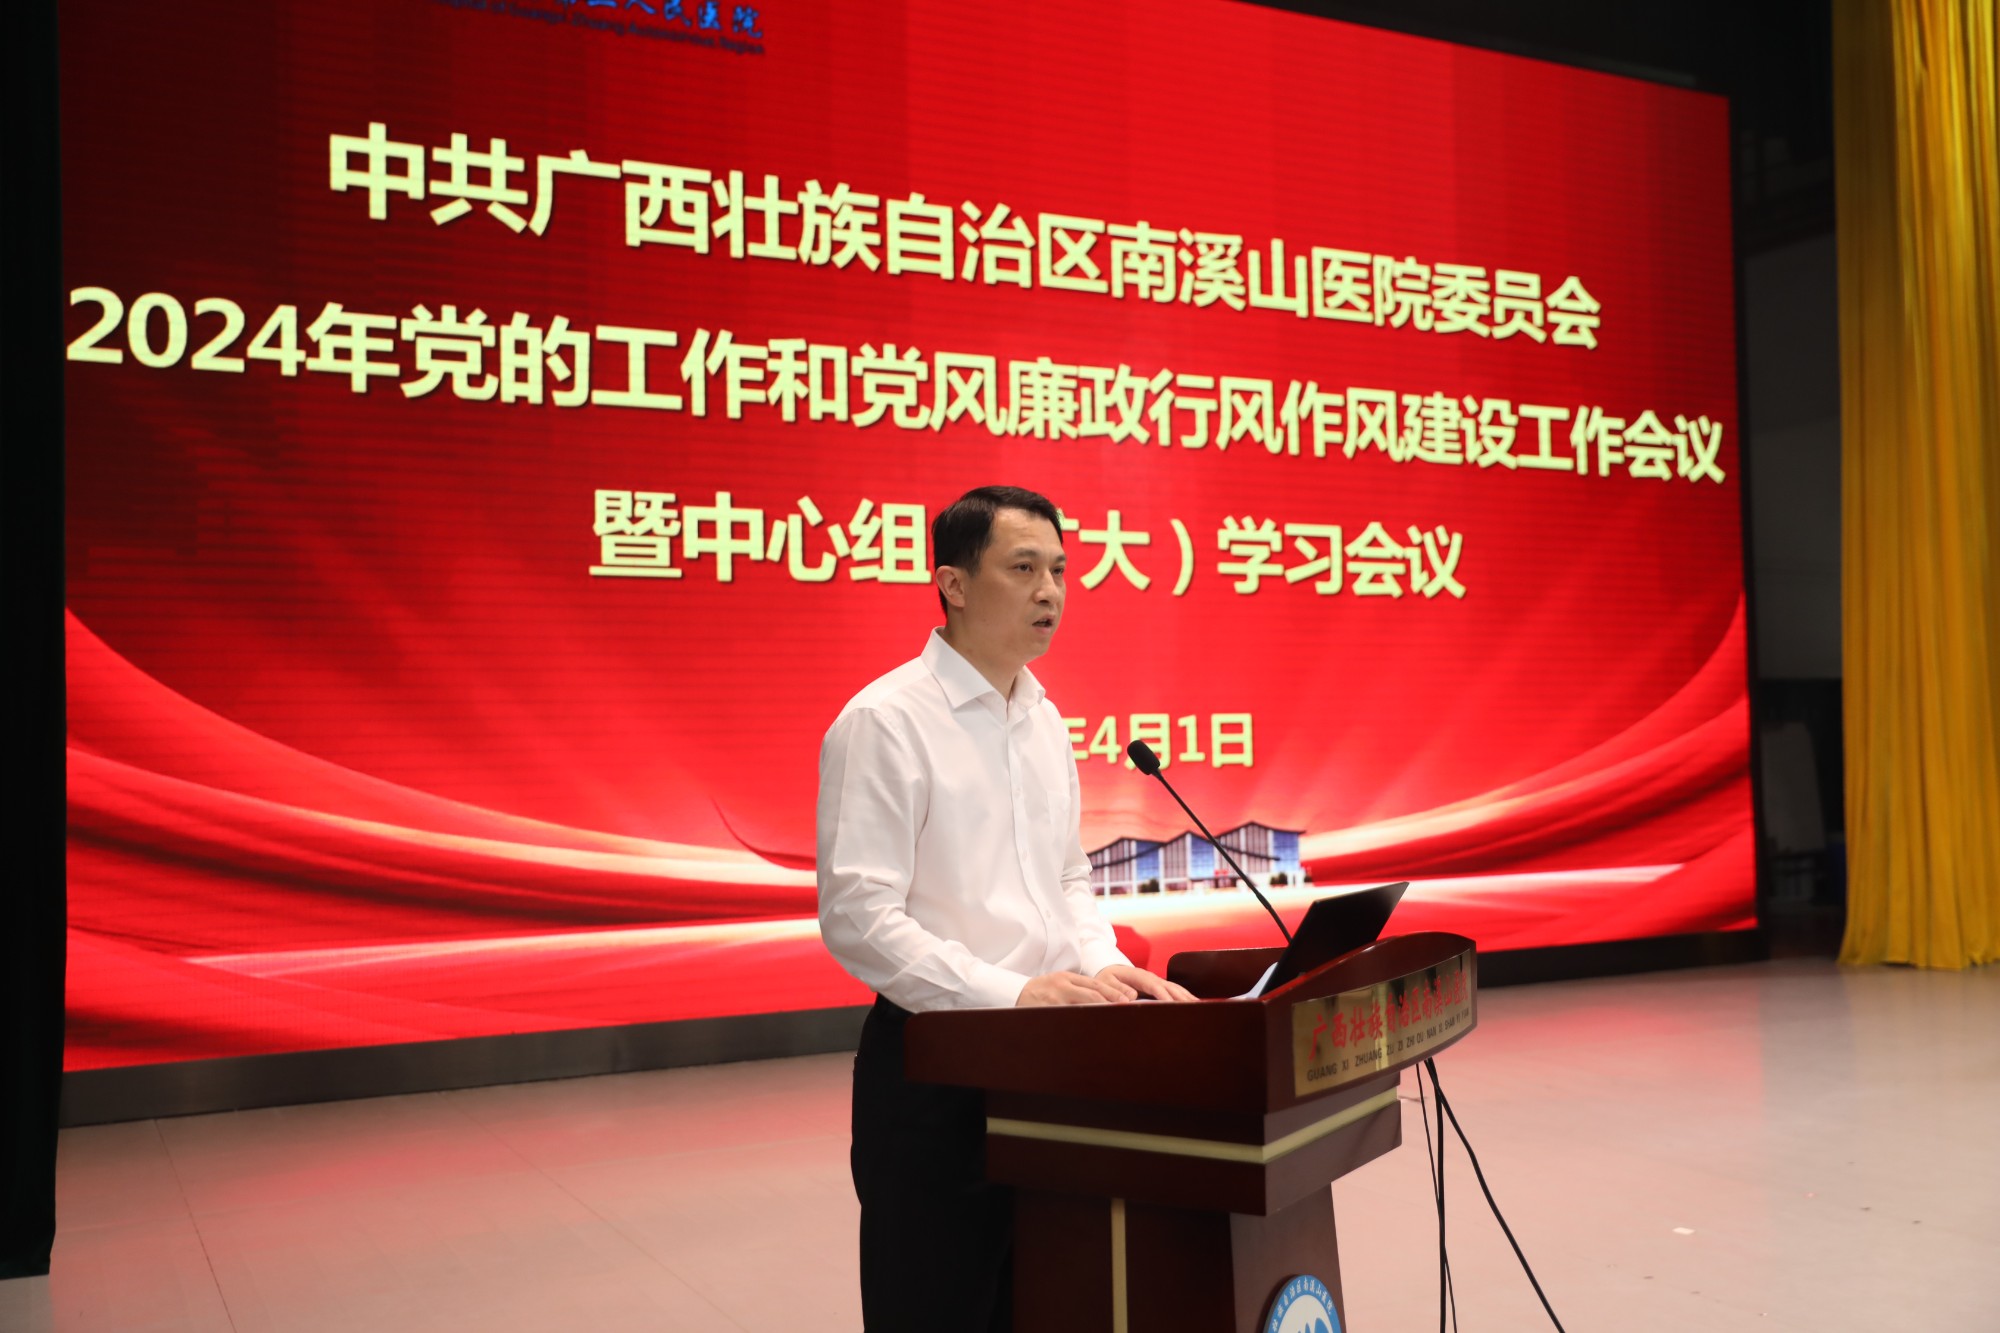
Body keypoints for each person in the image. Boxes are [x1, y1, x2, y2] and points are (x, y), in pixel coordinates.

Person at [817, 484, 1197, 1332]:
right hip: (937, 1068)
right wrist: (1012, 992)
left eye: (1058, 570)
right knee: (938, 1307)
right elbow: (858, 917)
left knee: (1044, 1303)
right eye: (1023, 568)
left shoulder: (1043, 719)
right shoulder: (885, 721)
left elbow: (1066, 878)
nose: (1049, 591)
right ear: (952, 583)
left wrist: (1103, 966)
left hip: (1053, 1065)